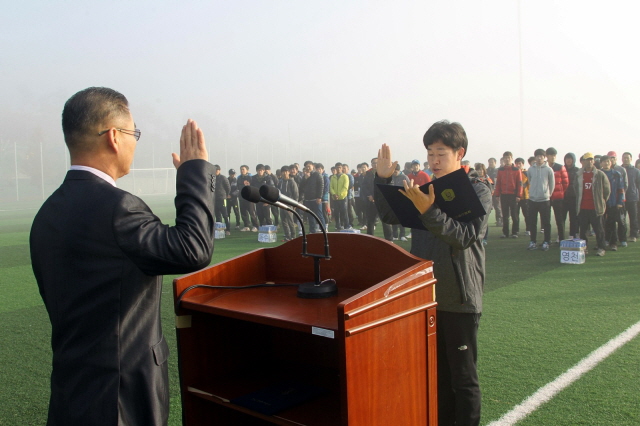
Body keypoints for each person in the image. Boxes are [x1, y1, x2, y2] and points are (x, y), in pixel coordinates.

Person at [30, 87, 215, 426]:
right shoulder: (118, 208)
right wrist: (195, 173)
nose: (135, 142)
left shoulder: (47, 214)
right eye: (135, 133)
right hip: (120, 397)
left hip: (73, 391)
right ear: (114, 137)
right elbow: (193, 248)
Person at [375, 120, 491, 426]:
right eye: (430, 153)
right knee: (436, 376)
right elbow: (389, 214)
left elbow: (464, 237)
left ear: (459, 153)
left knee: (462, 378)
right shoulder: (425, 190)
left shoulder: (478, 191)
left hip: (459, 298)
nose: (434, 160)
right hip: (425, 296)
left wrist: (430, 211)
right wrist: (383, 178)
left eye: (441, 152)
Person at [574, 152, 610, 256]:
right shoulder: (579, 175)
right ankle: (584, 248)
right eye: (587, 160)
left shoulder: (600, 174)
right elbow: (576, 189)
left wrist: (601, 201)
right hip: (583, 207)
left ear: (594, 161)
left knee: (599, 230)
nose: (589, 162)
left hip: (596, 207)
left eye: (591, 159)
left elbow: (607, 191)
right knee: (583, 231)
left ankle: (601, 248)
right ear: (583, 162)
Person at [527, 149, 555, 251]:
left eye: (541, 156)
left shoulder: (549, 170)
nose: (539, 158)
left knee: (546, 222)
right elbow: (530, 181)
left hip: (544, 200)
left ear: (545, 157)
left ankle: (546, 241)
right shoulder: (530, 169)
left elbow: (552, 184)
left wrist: (547, 194)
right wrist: (533, 193)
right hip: (532, 199)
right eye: (537, 156)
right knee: (532, 222)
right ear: (535, 157)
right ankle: (533, 241)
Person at [600, 155, 626, 251]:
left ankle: (613, 242)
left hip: (614, 203)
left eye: (608, 161)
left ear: (611, 162)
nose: (606, 163)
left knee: (612, 223)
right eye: (604, 161)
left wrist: (620, 202)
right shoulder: (598, 174)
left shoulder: (616, 174)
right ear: (601, 163)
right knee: (602, 223)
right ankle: (604, 240)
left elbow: (621, 189)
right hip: (601, 203)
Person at [494, 151, 522, 238]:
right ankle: (505, 232)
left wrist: (519, 195)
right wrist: (497, 194)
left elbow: (520, 183)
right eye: (505, 158)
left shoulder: (516, 170)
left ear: (511, 159)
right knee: (505, 215)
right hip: (504, 195)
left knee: (514, 214)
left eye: (508, 158)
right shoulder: (500, 170)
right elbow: (498, 183)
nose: (507, 159)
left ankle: (515, 232)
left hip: (513, 195)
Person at [546, 147, 569, 242]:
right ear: (547, 156)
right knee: (546, 220)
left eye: (554, 155)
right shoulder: (544, 167)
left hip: (558, 198)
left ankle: (561, 238)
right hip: (546, 198)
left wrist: (560, 192)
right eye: (551, 155)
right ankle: (547, 240)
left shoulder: (560, 167)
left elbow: (565, 182)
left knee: (559, 220)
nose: (553, 157)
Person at [621, 152, 640, 242]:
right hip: (621, 198)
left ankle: (633, 235)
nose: (625, 159)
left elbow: (638, 185)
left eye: (627, 158)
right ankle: (622, 236)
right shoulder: (619, 170)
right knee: (621, 219)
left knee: (633, 218)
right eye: (624, 157)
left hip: (632, 198)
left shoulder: (636, 171)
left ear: (631, 159)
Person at [278, 165, 299, 241]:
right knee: (283, 221)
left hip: (289, 204)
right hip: (281, 204)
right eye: (283, 172)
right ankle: (287, 236)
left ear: (289, 172)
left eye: (286, 171)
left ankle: (293, 236)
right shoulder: (280, 182)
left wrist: (294, 205)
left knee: (290, 221)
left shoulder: (292, 182)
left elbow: (296, 194)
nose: (284, 173)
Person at [563, 153, 580, 238]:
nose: (568, 160)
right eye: (567, 159)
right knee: (561, 218)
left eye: (570, 159)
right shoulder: (562, 170)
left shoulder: (578, 171)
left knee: (573, 218)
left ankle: (573, 235)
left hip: (574, 198)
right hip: (563, 198)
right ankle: (560, 236)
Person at [238, 165, 259, 231]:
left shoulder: (251, 178)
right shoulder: (239, 178)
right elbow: (238, 187)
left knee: (252, 212)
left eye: (243, 169)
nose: (242, 171)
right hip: (241, 198)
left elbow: (253, 187)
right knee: (243, 213)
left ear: (247, 170)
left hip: (249, 198)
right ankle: (246, 226)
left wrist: (248, 185)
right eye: (241, 169)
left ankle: (255, 226)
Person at [330, 162, 350, 230]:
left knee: (344, 212)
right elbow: (331, 187)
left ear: (342, 168)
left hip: (343, 198)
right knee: (336, 212)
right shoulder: (333, 177)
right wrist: (334, 194)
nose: (338, 169)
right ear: (335, 168)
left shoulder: (345, 176)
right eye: (337, 167)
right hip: (335, 198)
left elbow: (345, 187)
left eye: (340, 167)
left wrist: (340, 195)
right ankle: (338, 226)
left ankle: (346, 226)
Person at [213, 165, 231, 235]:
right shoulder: (212, 178)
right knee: (217, 215)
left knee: (225, 215)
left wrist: (225, 195)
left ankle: (228, 229)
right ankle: (219, 230)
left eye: (217, 170)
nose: (215, 172)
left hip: (222, 199)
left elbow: (228, 187)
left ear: (219, 170)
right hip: (214, 199)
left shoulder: (223, 178)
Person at [487, 157, 502, 227]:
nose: (490, 163)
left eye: (492, 162)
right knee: (487, 207)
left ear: (495, 163)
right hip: (488, 191)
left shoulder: (498, 171)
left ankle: (499, 220)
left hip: (496, 191)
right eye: (489, 162)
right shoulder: (486, 171)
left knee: (497, 206)